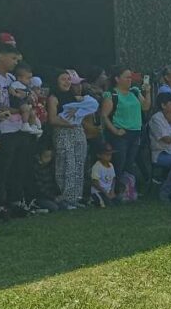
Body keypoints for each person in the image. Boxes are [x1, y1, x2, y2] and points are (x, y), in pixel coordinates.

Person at [0, 42, 34, 220]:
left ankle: (15, 201)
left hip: (18, 127)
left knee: (18, 168)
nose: (15, 62)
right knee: (2, 169)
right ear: (1, 56)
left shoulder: (12, 78)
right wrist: (19, 108)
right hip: (4, 131)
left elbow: (23, 99)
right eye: (12, 58)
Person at [101, 65, 151, 192]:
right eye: (127, 77)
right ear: (117, 79)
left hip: (135, 133)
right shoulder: (111, 94)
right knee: (119, 162)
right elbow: (105, 116)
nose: (130, 80)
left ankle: (126, 190)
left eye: (131, 77)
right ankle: (114, 189)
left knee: (129, 163)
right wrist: (115, 131)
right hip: (120, 134)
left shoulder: (134, 91)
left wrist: (148, 92)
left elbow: (145, 107)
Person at [46, 70, 89, 208]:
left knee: (79, 163)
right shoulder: (53, 98)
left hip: (77, 132)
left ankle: (76, 197)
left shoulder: (74, 97)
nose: (67, 82)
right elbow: (52, 119)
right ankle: (64, 197)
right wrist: (69, 123)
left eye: (68, 79)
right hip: (63, 132)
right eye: (63, 79)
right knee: (66, 163)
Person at [10, 62, 43, 136]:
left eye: (31, 78)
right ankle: (25, 124)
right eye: (28, 78)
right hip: (18, 103)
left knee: (33, 112)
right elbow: (11, 89)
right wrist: (15, 94)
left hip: (25, 103)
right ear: (19, 78)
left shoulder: (27, 86)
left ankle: (33, 126)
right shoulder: (16, 84)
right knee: (26, 108)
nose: (30, 80)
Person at [90, 143, 118, 208]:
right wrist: (106, 193)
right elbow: (95, 183)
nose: (109, 156)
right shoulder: (97, 166)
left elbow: (113, 179)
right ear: (99, 155)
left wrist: (112, 191)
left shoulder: (111, 165)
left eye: (110, 154)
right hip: (99, 191)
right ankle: (92, 200)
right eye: (106, 154)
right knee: (105, 203)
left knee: (117, 201)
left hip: (108, 191)